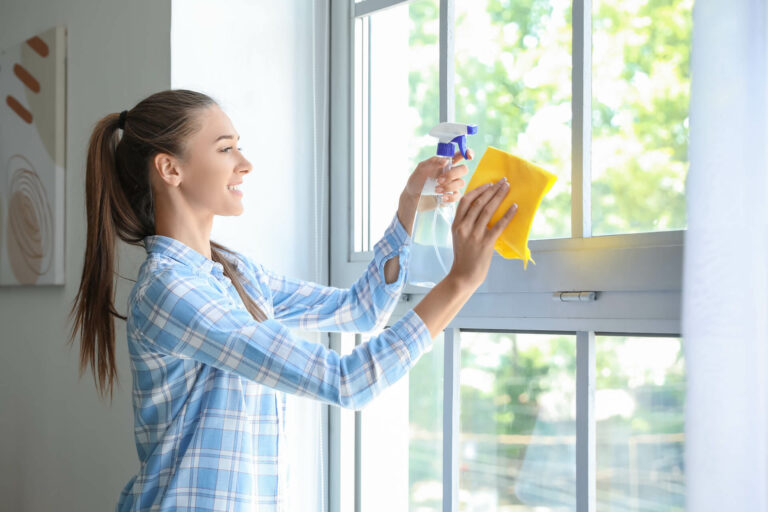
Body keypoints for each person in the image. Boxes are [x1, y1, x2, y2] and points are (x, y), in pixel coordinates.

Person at [67, 89, 518, 511]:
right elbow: (348, 382)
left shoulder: (233, 272)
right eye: (226, 149)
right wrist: (460, 281)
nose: (245, 164)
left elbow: (359, 310)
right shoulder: (171, 291)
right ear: (170, 169)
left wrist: (408, 207)